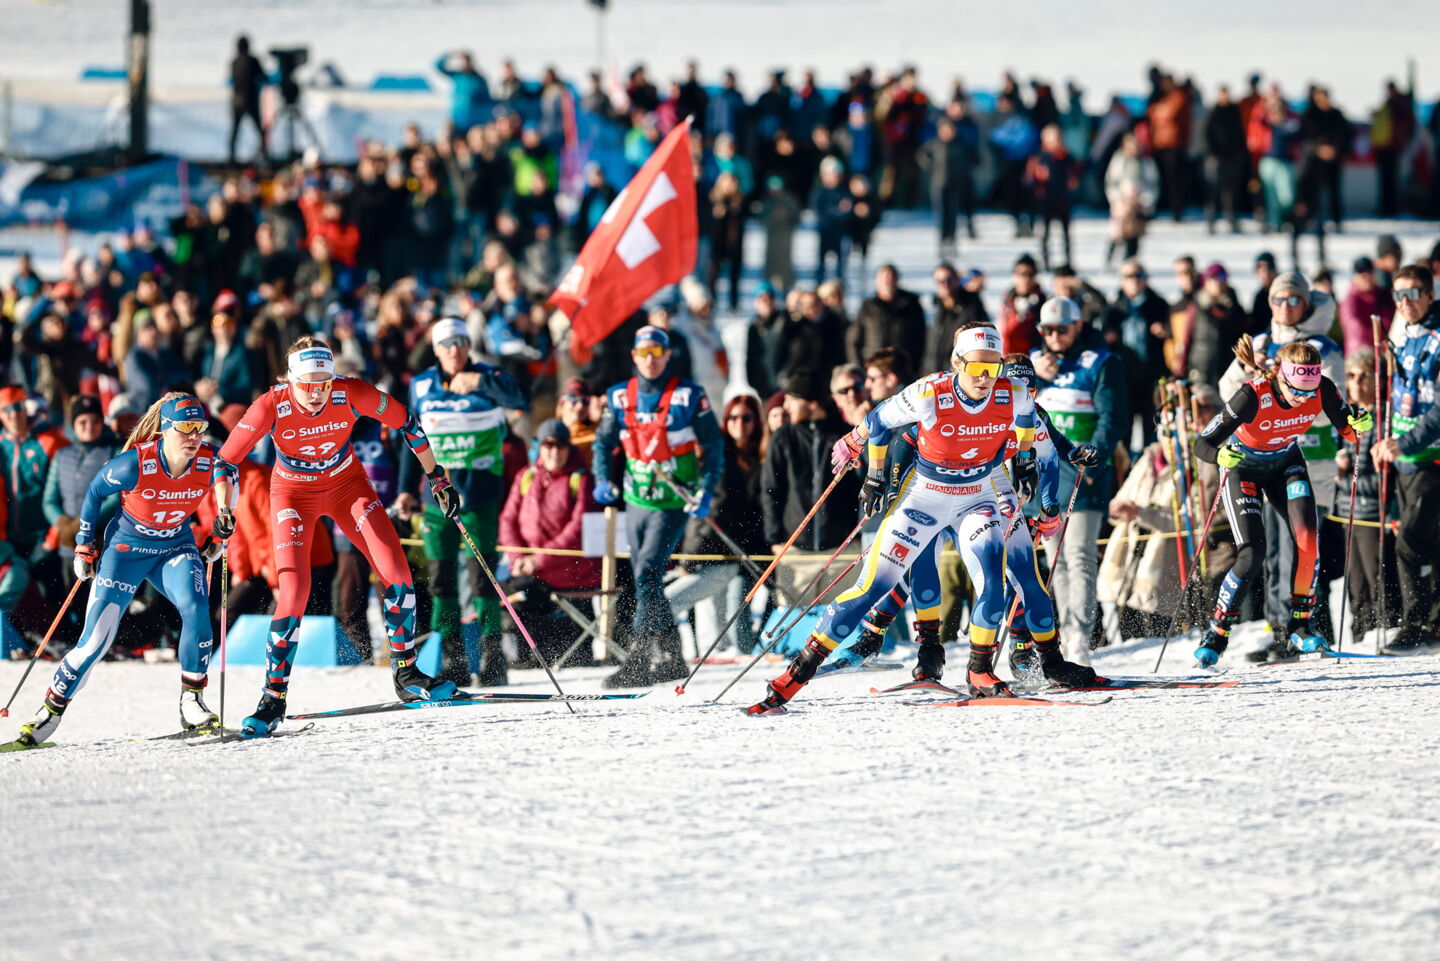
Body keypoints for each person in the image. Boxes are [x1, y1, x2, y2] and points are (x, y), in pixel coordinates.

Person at [746, 323, 1089, 715]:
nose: (984, 378)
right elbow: (877, 422)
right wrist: (872, 471)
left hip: (978, 498)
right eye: (976, 368)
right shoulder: (930, 392)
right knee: (871, 587)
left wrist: (1026, 461)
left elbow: (1030, 420)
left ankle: (979, 672)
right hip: (924, 497)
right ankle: (798, 673)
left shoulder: (1011, 393)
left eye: (993, 368)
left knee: (991, 581)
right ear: (957, 363)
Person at [212, 337, 464, 738]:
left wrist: (437, 477)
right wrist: (225, 509)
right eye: (307, 384)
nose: (316, 393)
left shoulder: (352, 393)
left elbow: (408, 423)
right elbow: (225, 461)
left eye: (324, 383)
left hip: (347, 485)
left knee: (396, 570)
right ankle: (272, 697)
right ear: (289, 380)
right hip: (293, 493)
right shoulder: (270, 405)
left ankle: (407, 673)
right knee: (293, 590)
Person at [8, 394, 224, 749]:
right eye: (186, 428)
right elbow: (94, 492)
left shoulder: (208, 460)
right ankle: (50, 709)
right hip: (126, 551)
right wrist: (84, 543)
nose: (194, 436)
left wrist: (220, 529)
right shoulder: (134, 464)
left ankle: (192, 702)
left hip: (174, 546)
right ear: (165, 429)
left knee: (196, 607)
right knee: (95, 642)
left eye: (199, 428)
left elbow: (230, 481)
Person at [1192, 337, 1366, 666]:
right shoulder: (1252, 395)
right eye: (1296, 391)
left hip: (1285, 464)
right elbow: (1203, 443)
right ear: (1282, 378)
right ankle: (1217, 631)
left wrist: (1358, 424)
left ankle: (1300, 623)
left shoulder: (1322, 388)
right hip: (1243, 468)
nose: (1303, 398)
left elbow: (1347, 427)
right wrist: (1219, 455)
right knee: (1252, 552)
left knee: (1308, 540)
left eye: (1309, 390)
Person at [398, 317, 528, 687]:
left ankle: (492, 656)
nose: (454, 350)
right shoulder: (421, 385)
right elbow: (410, 437)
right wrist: (406, 488)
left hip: (481, 493)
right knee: (440, 581)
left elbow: (523, 398)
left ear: (469, 346)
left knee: (483, 576)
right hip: (437, 496)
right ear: (436, 350)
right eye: (447, 344)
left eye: (460, 342)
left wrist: (482, 383)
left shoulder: (489, 376)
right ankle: (452, 656)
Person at [592, 326, 723, 688]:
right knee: (643, 577)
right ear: (634, 355)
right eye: (644, 352)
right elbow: (602, 443)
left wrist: (707, 490)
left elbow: (713, 446)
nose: (650, 360)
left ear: (667, 356)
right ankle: (672, 655)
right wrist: (603, 478)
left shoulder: (689, 395)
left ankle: (637, 659)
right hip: (637, 498)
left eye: (657, 352)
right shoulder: (618, 396)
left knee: (648, 572)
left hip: (673, 498)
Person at [1219, 271, 1343, 648]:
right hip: (1262, 456)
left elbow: (1325, 407)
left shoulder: (1322, 347)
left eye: (1294, 299)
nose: (1285, 307)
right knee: (1268, 547)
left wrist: (1287, 395)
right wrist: (1251, 375)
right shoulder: (1260, 343)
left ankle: (1309, 626)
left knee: (1304, 544)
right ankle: (1277, 628)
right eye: (1278, 299)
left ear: (1307, 303)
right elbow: (1228, 393)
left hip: (1310, 458)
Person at [1030, 297, 1127, 665]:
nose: (1054, 337)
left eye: (1062, 329)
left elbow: (1113, 418)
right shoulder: (1036, 362)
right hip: (1046, 474)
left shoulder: (1100, 361)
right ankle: (1063, 632)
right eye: (1047, 330)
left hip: (1083, 472)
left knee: (1080, 555)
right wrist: (1032, 371)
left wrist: (1095, 460)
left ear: (1078, 327)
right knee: (1055, 560)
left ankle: (1079, 638)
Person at [1370, 265, 1440, 650]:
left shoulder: (1437, 336)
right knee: (1427, 540)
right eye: (1399, 295)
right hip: (1407, 461)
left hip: (1432, 456)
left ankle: (1417, 623)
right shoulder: (1404, 337)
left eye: (1414, 293)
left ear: (1430, 294)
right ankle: (1435, 621)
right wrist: (1388, 439)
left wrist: (1406, 442)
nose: (1405, 302)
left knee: (1409, 542)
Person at [665, 395, 767, 656]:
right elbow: (708, 514)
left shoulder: (762, 456)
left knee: (731, 633)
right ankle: (662, 652)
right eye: (733, 417)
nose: (740, 424)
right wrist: (689, 558)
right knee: (675, 605)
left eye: (746, 417)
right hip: (712, 553)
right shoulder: (719, 459)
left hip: (743, 557)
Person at [498, 419, 601, 664]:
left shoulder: (581, 478)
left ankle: (542, 657)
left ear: (569, 447)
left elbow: (577, 530)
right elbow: (508, 519)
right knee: (503, 593)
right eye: (548, 444)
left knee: (525, 592)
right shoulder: (527, 475)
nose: (554, 450)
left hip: (571, 572)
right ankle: (521, 657)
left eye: (561, 445)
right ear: (540, 447)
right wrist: (517, 558)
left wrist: (539, 559)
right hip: (529, 572)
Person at [1334, 351, 1390, 645]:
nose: (1356, 382)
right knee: (1354, 582)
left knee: (1374, 577)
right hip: (1348, 511)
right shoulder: (1348, 417)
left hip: (1371, 512)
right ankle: (1359, 634)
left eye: (1363, 375)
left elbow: (1384, 479)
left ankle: (1383, 628)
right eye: (1352, 376)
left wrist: (1345, 477)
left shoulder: (1381, 418)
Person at [43, 395, 120, 596]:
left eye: (95, 420)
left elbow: (117, 497)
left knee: (101, 600)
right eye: (82, 421)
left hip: (102, 542)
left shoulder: (114, 452)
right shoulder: (62, 455)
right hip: (68, 544)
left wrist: (83, 524)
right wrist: (62, 524)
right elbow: (49, 499)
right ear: (73, 424)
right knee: (71, 601)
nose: (89, 426)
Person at [846, 264, 925, 368]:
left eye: (892, 277)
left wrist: (915, 366)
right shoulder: (868, 307)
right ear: (877, 281)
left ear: (897, 280)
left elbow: (923, 340)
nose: (888, 281)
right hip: (876, 370)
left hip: (903, 370)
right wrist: (859, 368)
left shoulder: (912, 306)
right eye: (885, 278)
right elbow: (853, 340)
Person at [1103, 133, 1157, 266]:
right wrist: (1118, 198)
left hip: (1139, 203)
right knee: (1118, 233)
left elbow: (1153, 182)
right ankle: (1110, 260)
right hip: (1122, 203)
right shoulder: (1119, 160)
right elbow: (1111, 181)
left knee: (1135, 233)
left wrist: (1145, 198)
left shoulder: (1146, 162)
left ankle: (1130, 260)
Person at [228, 35, 268, 166]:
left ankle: (232, 157)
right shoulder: (253, 60)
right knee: (259, 130)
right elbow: (263, 76)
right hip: (250, 100)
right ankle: (264, 155)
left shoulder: (234, 61)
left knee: (235, 130)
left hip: (236, 101)